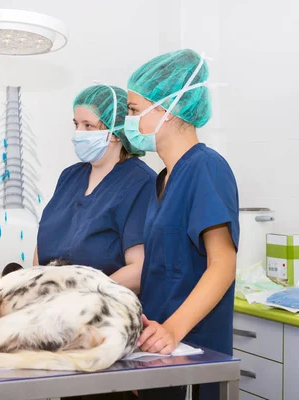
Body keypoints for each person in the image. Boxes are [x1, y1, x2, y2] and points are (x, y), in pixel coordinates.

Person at [125, 49, 239, 400]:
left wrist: (173, 330)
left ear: (167, 110)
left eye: (133, 110)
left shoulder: (206, 168)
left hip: (193, 348)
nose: (128, 121)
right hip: (160, 348)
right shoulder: (163, 179)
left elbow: (223, 265)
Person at [34, 84, 156, 293]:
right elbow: (42, 244)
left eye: (88, 126)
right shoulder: (70, 176)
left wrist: (83, 292)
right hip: (50, 304)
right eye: (76, 124)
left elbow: (139, 270)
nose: (77, 133)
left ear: (116, 133)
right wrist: (34, 288)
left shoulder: (141, 182)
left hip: (101, 309)